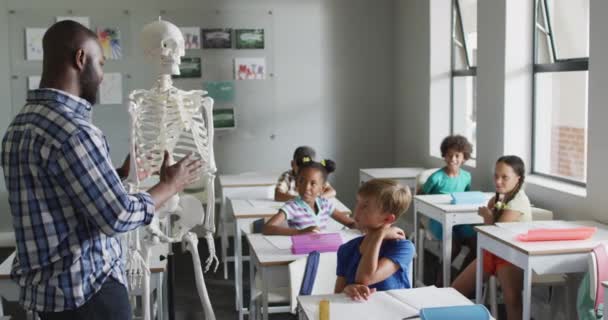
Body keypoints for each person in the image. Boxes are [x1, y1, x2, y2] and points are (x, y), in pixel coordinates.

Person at [0, 20, 201, 320]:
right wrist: (170, 186)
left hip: (50, 298)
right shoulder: (75, 131)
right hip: (89, 293)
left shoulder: (20, 126)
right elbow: (118, 216)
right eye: (101, 63)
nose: (103, 75)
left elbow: (56, 194)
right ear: (81, 59)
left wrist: (116, 174)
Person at [451, 155, 531, 320]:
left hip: (511, 255)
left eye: (504, 177)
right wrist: (490, 212)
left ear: (518, 178)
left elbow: (496, 233)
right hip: (493, 252)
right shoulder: (501, 197)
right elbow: (491, 220)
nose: (498, 181)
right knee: (455, 290)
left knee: (512, 299)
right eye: (496, 176)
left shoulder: (518, 201)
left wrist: (488, 216)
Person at [334, 179, 414, 300]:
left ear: (387, 219)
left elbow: (365, 278)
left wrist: (378, 235)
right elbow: (337, 294)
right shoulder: (347, 249)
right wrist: (346, 290)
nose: (356, 211)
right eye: (358, 203)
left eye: (365, 206)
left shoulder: (403, 248)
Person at [420, 135, 475, 283]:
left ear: (464, 158)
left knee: (476, 243)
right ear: (444, 156)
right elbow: (421, 197)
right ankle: (440, 281)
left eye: (457, 155)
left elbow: (466, 197)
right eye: (449, 155)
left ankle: (461, 280)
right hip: (437, 219)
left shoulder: (466, 177)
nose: (453, 159)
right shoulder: (436, 178)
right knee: (453, 246)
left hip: (458, 219)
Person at [263, 158, 354, 235]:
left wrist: (363, 226)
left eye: (313, 183)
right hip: (301, 252)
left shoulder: (324, 204)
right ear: (297, 184)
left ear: (322, 189)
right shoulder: (293, 206)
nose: (306, 187)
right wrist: (300, 232)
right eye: (302, 181)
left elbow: (350, 223)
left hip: (322, 250)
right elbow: (267, 228)